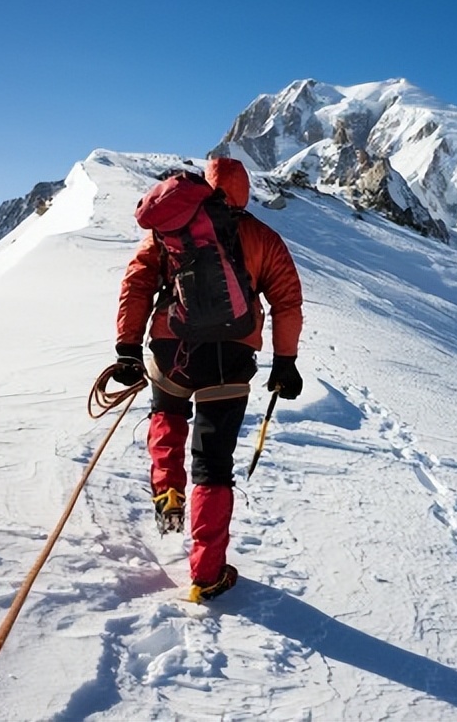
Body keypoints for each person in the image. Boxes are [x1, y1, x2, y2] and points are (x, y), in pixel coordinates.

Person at [110, 157, 303, 601]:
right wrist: (285, 361)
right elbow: (286, 300)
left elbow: (137, 284)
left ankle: (167, 491)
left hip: (173, 348)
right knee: (214, 464)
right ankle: (206, 574)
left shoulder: (171, 229)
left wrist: (127, 347)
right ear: (244, 191)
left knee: (167, 414)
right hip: (230, 359)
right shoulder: (262, 237)